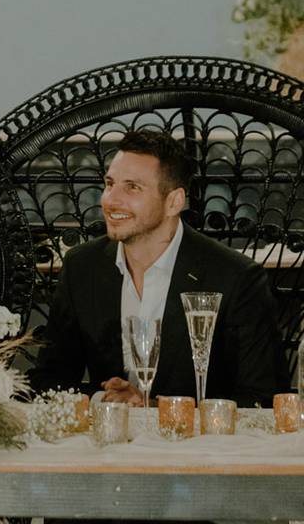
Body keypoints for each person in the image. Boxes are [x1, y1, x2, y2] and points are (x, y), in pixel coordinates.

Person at [29, 130, 287, 407]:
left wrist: (154, 408)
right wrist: (104, 400)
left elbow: (263, 397)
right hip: (107, 446)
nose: (110, 200)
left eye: (132, 187)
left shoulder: (236, 278)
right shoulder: (83, 266)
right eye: (110, 184)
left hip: (200, 448)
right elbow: (49, 377)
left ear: (174, 201)